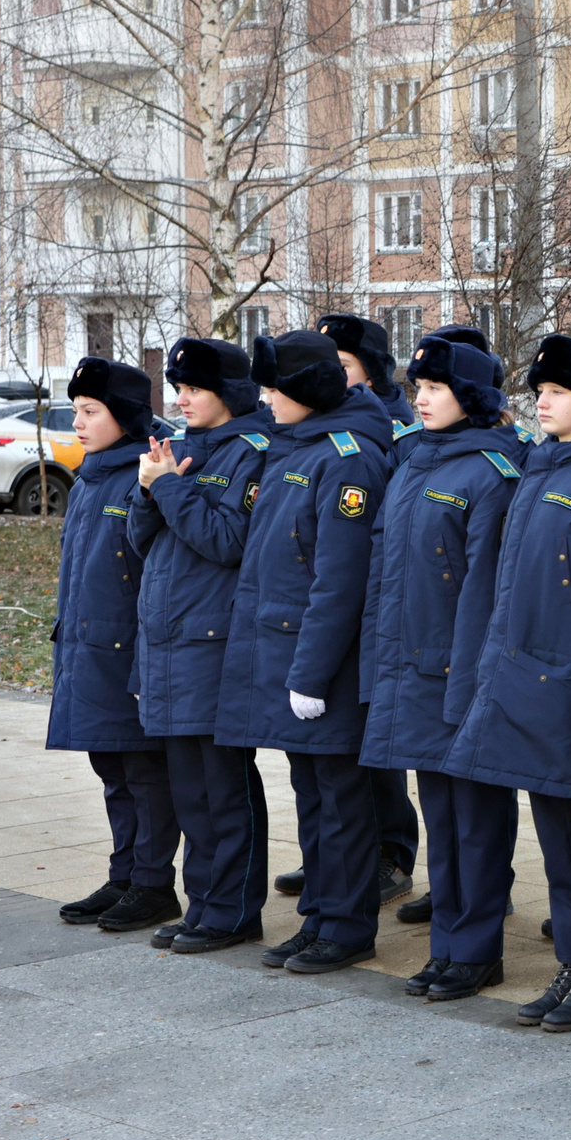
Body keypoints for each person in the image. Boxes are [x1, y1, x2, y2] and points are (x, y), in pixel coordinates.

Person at [445, 335, 571, 1030]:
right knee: (561, 845)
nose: (542, 403)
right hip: (532, 691)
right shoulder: (542, 470)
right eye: (539, 393)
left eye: (556, 393)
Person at [216, 331, 399, 974]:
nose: (265, 399)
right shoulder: (297, 446)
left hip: (325, 662)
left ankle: (347, 926)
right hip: (287, 655)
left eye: (275, 388)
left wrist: (314, 673)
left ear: (310, 392)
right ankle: (321, 914)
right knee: (314, 795)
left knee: (343, 800)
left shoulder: (347, 457)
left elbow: (340, 580)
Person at [358, 335, 525, 1004]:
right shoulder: (413, 462)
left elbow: (486, 597)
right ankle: (448, 946)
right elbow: (386, 577)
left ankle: (476, 951)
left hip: (461, 676)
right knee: (444, 824)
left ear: (473, 398)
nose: (419, 398)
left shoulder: (491, 472)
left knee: (475, 823)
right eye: (416, 386)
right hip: (413, 671)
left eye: (435, 388)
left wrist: (469, 685)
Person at [129, 338, 274, 954]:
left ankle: (237, 909)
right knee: (189, 789)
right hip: (168, 640)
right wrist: (146, 490)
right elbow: (145, 544)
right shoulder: (180, 449)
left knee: (224, 785)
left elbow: (226, 541)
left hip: (215, 643)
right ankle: (204, 905)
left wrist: (168, 490)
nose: (180, 399)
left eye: (194, 389)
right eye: (178, 387)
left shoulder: (253, 453)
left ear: (230, 393)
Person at [48, 357, 182, 935]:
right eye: (76, 410)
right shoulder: (89, 478)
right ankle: (123, 873)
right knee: (111, 765)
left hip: (129, 652)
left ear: (124, 417)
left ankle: (153, 883)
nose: (78, 422)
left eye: (90, 411)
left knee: (144, 769)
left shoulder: (143, 474)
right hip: (86, 648)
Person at [314, 312, 421, 903]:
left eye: (344, 368)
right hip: (341, 611)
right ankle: (342, 851)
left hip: (384, 609)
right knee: (342, 747)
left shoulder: (401, 433)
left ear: (374, 374)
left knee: (382, 743)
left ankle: (390, 854)